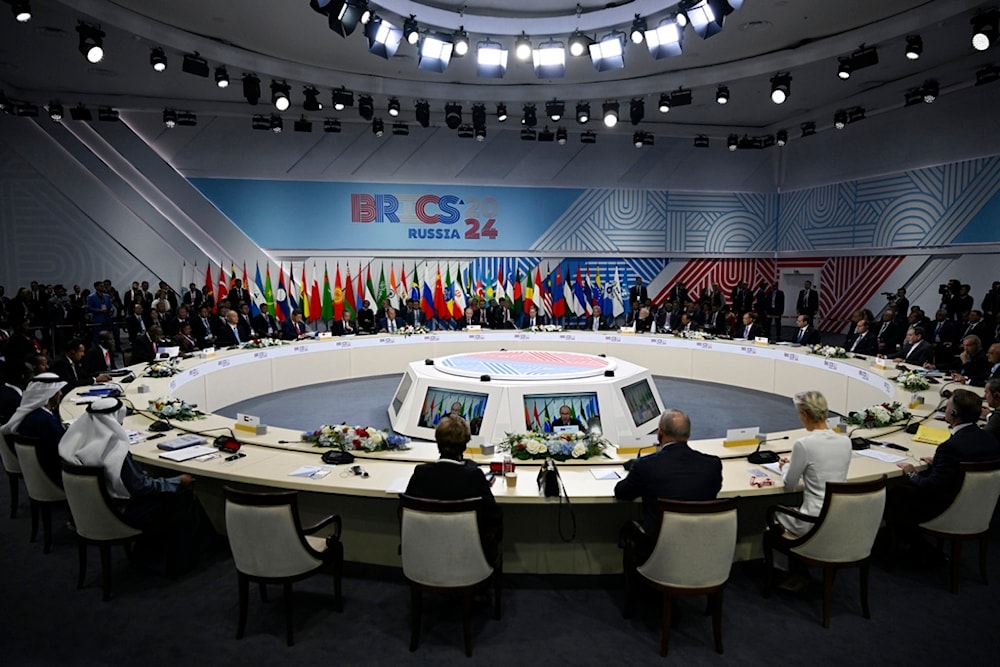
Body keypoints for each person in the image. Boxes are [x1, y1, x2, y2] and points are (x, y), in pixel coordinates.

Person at [59, 397, 213, 573]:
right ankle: (184, 560)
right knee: (181, 493)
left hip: (91, 511)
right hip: (122, 512)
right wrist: (177, 481)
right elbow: (140, 487)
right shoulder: (115, 451)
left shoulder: (74, 446)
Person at [887, 389, 1000, 558]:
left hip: (948, 506)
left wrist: (911, 473)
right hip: (980, 508)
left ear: (954, 413)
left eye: (947, 407)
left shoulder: (950, 448)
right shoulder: (990, 440)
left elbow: (931, 487)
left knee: (896, 492)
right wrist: (940, 463)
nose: (944, 410)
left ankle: (920, 549)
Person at [614, 409, 722, 561]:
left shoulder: (645, 466)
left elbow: (622, 493)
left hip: (658, 552)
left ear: (660, 433)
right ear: (688, 434)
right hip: (701, 545)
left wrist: (634, 473)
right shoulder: (712, 465)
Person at [403, 415, 502, 561]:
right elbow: (495, 516)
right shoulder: (474, 475)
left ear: (437, 441)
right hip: (470, 558)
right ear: (465, 444)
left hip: (424, 557)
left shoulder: (421, 472)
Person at [774, 391, 852, 536]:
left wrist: (785, 467)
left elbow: (790, 484)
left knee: (776, 513)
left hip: (812, 520)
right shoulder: (846, 441)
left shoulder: (803, 444)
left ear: (804, 415)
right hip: (838, 517)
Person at [1, 373, 67, 488]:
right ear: (49, 394)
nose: (61, 394)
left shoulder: (27, 415)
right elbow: (64, 449)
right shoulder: (46, 421)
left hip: (36, 473)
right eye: (58, 391)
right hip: (55, 477)